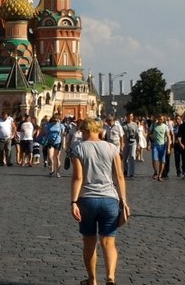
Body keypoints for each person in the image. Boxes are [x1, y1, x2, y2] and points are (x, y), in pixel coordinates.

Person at [70, 118, 129, 285]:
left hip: (87, 200)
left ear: (85, 131)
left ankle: (92, 280)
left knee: (89, 243)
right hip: (110, 199)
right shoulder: (112, 148)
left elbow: (78, 178)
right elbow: (119, 176)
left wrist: (73, 202)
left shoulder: (78, 149)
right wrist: (123, 200)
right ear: (100, 130)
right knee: (108, 242)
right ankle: (110, 277)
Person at [150, 115, 170, 181]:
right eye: (159, 119)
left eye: (161, 119)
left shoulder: (165, 127)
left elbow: (168, 137)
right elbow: (148, 134)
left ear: (163, 120)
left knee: (162, 161)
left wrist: (168, 148)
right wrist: (148, 144)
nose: (160, 120)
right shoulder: (153, 125)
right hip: (155, 145)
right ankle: (155, 172)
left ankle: (160, 175)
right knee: (154, 160)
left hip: (163, 145)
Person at [120, 113, 139, 178]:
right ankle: (125, 170)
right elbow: (121, 134)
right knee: (125, 158)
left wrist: (138, 144)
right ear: (126, 117)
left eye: (131, 116)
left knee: (132, 156)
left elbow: (137, 134)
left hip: (133, 142)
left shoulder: (135, 124)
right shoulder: (122, 124)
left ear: (132, 117)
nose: (129, 118)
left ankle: (131, 173)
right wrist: (121, 143)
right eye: (128, 117)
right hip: (125, 142)